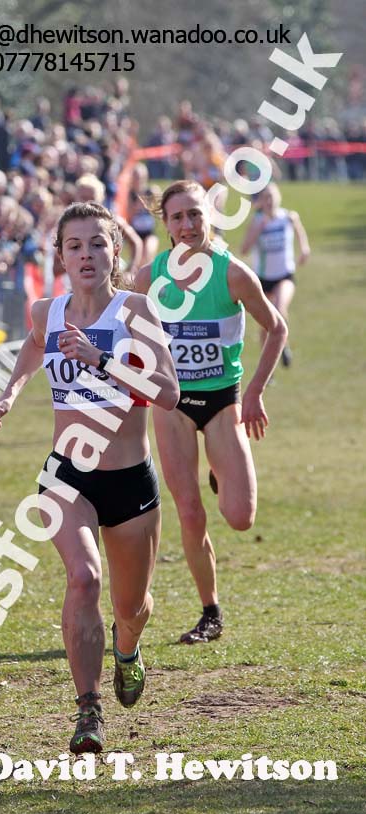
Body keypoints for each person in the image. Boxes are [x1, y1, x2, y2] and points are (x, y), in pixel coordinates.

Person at [0, 201, 179, 753]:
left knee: (132, 609)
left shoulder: (136, 311)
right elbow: (30, 352)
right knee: (84, 579)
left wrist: (101, 358)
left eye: (98, 243)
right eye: (75, 245)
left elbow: (168, 392)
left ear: (115, 251)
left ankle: (128, 649)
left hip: (129, 481)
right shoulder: (48, 311)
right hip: (67, 475)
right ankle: (88, 711)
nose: (87, 254)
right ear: (61, 255)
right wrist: (8, 396)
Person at [134, 180, 288, 644]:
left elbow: (276, 329)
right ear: (165, 223)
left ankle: (222, 470)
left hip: (223, 402)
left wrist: (256, 392)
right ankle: (210, 612)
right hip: (173, 405)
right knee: (190, 513)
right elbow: (131, 336)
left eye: (195, 215)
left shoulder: (233, 274)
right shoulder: (149, 279)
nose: (187, 225)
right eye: (177, 217)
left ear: (210, 217)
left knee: (240, 516)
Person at [241, 182, 310, 367]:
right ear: (261, 202)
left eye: (273, 197)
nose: (270, 201)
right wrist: (258, 229)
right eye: (266, 198)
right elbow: (244, 249)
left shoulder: (288, 217)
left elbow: (300, 232)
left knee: (279, 308)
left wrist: (304, 249)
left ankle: (283, 343)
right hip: (263, 279)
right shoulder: (257, 221)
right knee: (266, 326)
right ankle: (268, 366)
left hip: (284, 275)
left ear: (279, 198)